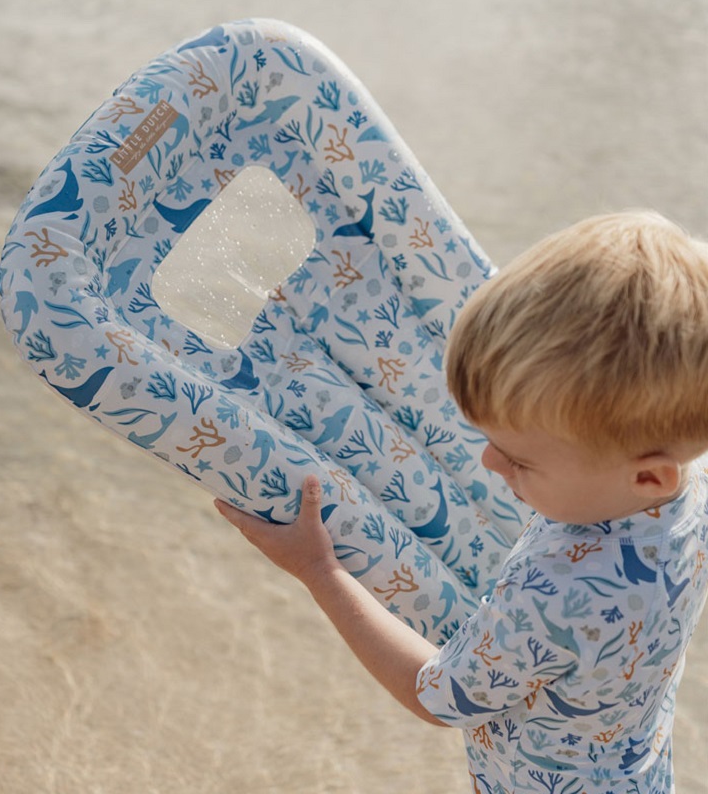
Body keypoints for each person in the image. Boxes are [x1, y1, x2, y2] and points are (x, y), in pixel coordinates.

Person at [214, 211, 708, 793]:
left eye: (520, 460)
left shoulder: (552, 596)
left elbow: (437, 696)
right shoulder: (688, 486)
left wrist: (320, 570)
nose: (490, 464)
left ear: (647, 478)